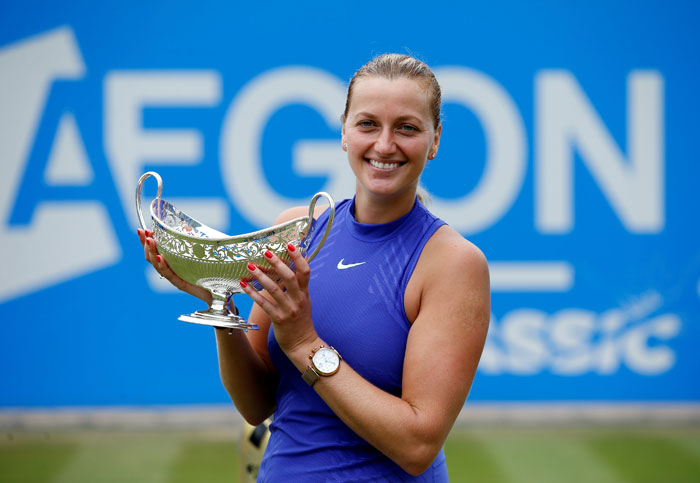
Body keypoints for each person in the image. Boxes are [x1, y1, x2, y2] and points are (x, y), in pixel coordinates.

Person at [138, 53, 490, 481]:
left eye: (407, 128)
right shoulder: (295, 230)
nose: (384, 144)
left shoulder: (453, 263)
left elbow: (417, 445)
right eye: (367, 124)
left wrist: (305, 342)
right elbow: (257, 405)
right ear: (344, 132)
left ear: (434, 141)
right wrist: (220, 300)